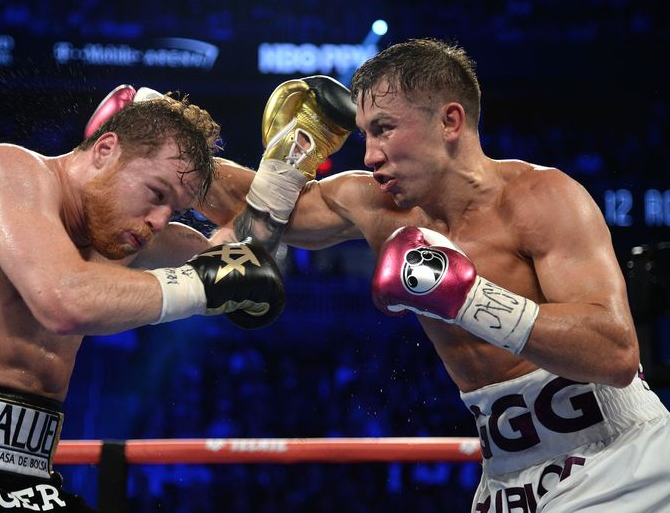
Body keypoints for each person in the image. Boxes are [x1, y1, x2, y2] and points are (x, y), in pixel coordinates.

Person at [199, 39, 670, 511]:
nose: (370, 155)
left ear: (450, 121)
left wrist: (466, 298)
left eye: (384, 129)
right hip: (508, 478)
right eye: (365, 134)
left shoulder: (541, 198)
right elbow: (250, 206)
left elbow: (615, 351)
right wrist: (155, 130)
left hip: (619, 461)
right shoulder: (378, 207)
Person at [0, 87, 285, 511]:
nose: (159, 222)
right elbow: (62, 301)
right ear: (106, 148)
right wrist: (203, 286)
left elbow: (247, 265)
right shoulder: (9, 172)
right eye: (157, 193)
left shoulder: (123, 237)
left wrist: (285, 176)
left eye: (175, 210)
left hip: (27, 483)